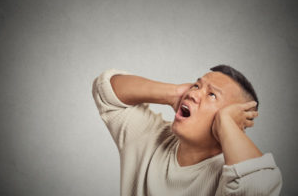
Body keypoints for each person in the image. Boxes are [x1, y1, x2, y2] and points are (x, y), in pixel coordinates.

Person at [92, 65, 282, 196]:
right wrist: (174, 93)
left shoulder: (230, 175)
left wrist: (226, 123)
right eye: (196, 85)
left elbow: (258, 186)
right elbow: (105, 90)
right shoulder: (151, 137)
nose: (192, 93)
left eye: (212, 95)